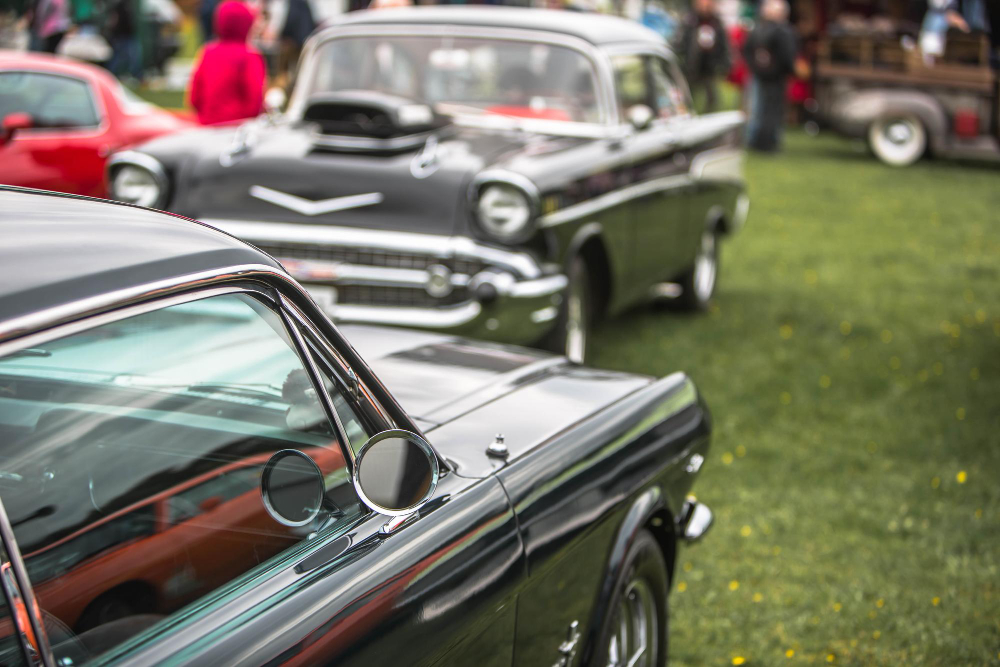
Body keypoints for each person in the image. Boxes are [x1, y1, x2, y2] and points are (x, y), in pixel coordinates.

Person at [188, 0, 266, 125]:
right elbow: (254, 102)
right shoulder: (250, 56)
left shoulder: (208, 52)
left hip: (207, 125)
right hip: (236, 127)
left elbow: (194, 98)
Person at [743, 0, 796, 152]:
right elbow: (787, 56)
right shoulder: (782, 31)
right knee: (768, 109)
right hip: (771, 77)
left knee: (759, 109)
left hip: (765, 75)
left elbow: (748, 51)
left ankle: (759, 140)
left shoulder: (759, 29)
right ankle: (766, 142)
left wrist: (757, 67)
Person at [676, 0, 730, 113]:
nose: (705, 5)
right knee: (687, 98)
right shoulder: (689, 21)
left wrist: (723, 64)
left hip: (710, 68)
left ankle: (708, 120)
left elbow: (724, 44)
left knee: (711, 100)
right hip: (691, 68)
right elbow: (679, 43)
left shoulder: (717, 23)